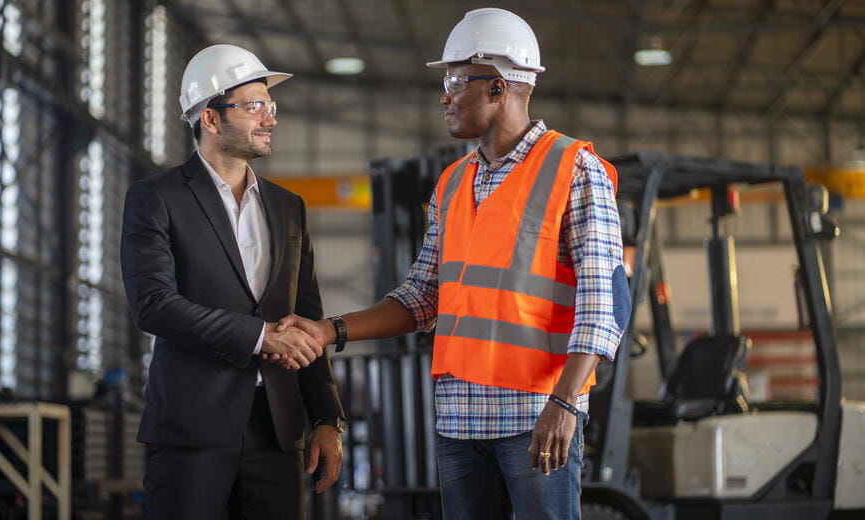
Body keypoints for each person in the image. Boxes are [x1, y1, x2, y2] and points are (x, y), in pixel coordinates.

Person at [275, 7, 631, 520]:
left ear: (498, 88)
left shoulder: (575, 169)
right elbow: (422, 298)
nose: (444, 95)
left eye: (456, 80)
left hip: (535, 418)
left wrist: (567, 403)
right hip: (459, 424)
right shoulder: (451, 182)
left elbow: (603, 305)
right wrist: (327, 331)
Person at [120, 44, 346, 520]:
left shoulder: (289, 208)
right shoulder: (156, 198)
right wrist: (262, 337)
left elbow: (308, 317)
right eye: (254, 106)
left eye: (271, 106)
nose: (270, 118)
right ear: (210, 119)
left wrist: (327, 418)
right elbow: (154, 304)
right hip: (191, 432)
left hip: (277, 431)